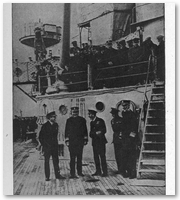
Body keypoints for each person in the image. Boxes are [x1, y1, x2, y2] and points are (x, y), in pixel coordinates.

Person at [39, 111, 65, 181]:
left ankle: (57, 175)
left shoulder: (56, 125)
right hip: (47, 147)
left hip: (54, 147)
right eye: (52, 117)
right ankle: (47, 176)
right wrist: (44, 145)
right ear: (49, 118)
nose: (54, 118)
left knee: (56, 161)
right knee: (47, 161)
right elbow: (40, 137)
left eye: (54, 116)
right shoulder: (45, 126)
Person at [65, 107, 88, 178]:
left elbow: (85, 130)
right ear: (71, 112)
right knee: (72, 158)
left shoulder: (82, 120)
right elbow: (66, 131)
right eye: (73, 112)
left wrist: (85, 140)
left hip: (80, 142)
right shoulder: (69, 120)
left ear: (78, 112)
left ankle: (79, 172)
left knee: (79, 158)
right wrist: (67, 141)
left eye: (76, 112)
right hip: (72, 142)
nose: (74, 113)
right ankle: (72, 173)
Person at [88, 108, 108, 177]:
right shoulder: (91, 123)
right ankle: (98, 171)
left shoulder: (100, 121)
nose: (89, 116)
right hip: (95, 143)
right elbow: (90, 134)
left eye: (90, 114)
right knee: (96, 157)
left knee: (102, 157)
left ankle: (105, 172)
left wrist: (97, 133)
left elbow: (104, 130)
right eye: (89, 114)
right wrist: (96, 133)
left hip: (101, 142)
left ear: (93, 114)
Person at [121, 100, 138, 179]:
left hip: (130, 139)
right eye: (123, 106)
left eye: (125, 105)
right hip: (125, 138)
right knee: (125, 156)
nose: (124, 107)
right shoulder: (123, 114)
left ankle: (133, 173)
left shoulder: (132, 114)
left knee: (132, 156)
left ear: (128, 105)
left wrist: (132, 137)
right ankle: (128, 172)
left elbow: (134, 127)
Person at [110, 108, 123, 174]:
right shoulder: (112, 120)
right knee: (117, 155)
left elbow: (122, 129)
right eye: (112, 114)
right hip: (116, 139)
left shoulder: (121, 119)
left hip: (121, 139)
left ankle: (123, 169)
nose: (113, 115)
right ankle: (119, 169)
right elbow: (114, 129)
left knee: (122, 155)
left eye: (114, 114)